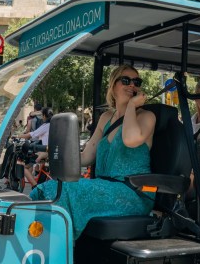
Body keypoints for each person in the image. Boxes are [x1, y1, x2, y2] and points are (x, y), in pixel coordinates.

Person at [29, 65, 157, 240]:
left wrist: (131, 107)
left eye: (137, 82)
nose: (132, 85)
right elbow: (86, 157)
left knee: (60, 190)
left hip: (133, 192)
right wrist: (51, 155)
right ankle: (43, 246)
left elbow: (130, 139)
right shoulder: (106, 118)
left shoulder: (146, 116)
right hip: (105, 187)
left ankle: (56, 249)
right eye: (126, 80)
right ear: (113, 86)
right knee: (53, 187)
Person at [18, 107, 53, 186]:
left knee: (24, 166)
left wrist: (17, 136)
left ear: (44, 116)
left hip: (45, 151)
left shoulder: (46, 125)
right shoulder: (55, 125)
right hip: (53, 151)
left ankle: (35, 186)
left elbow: (31, 134)